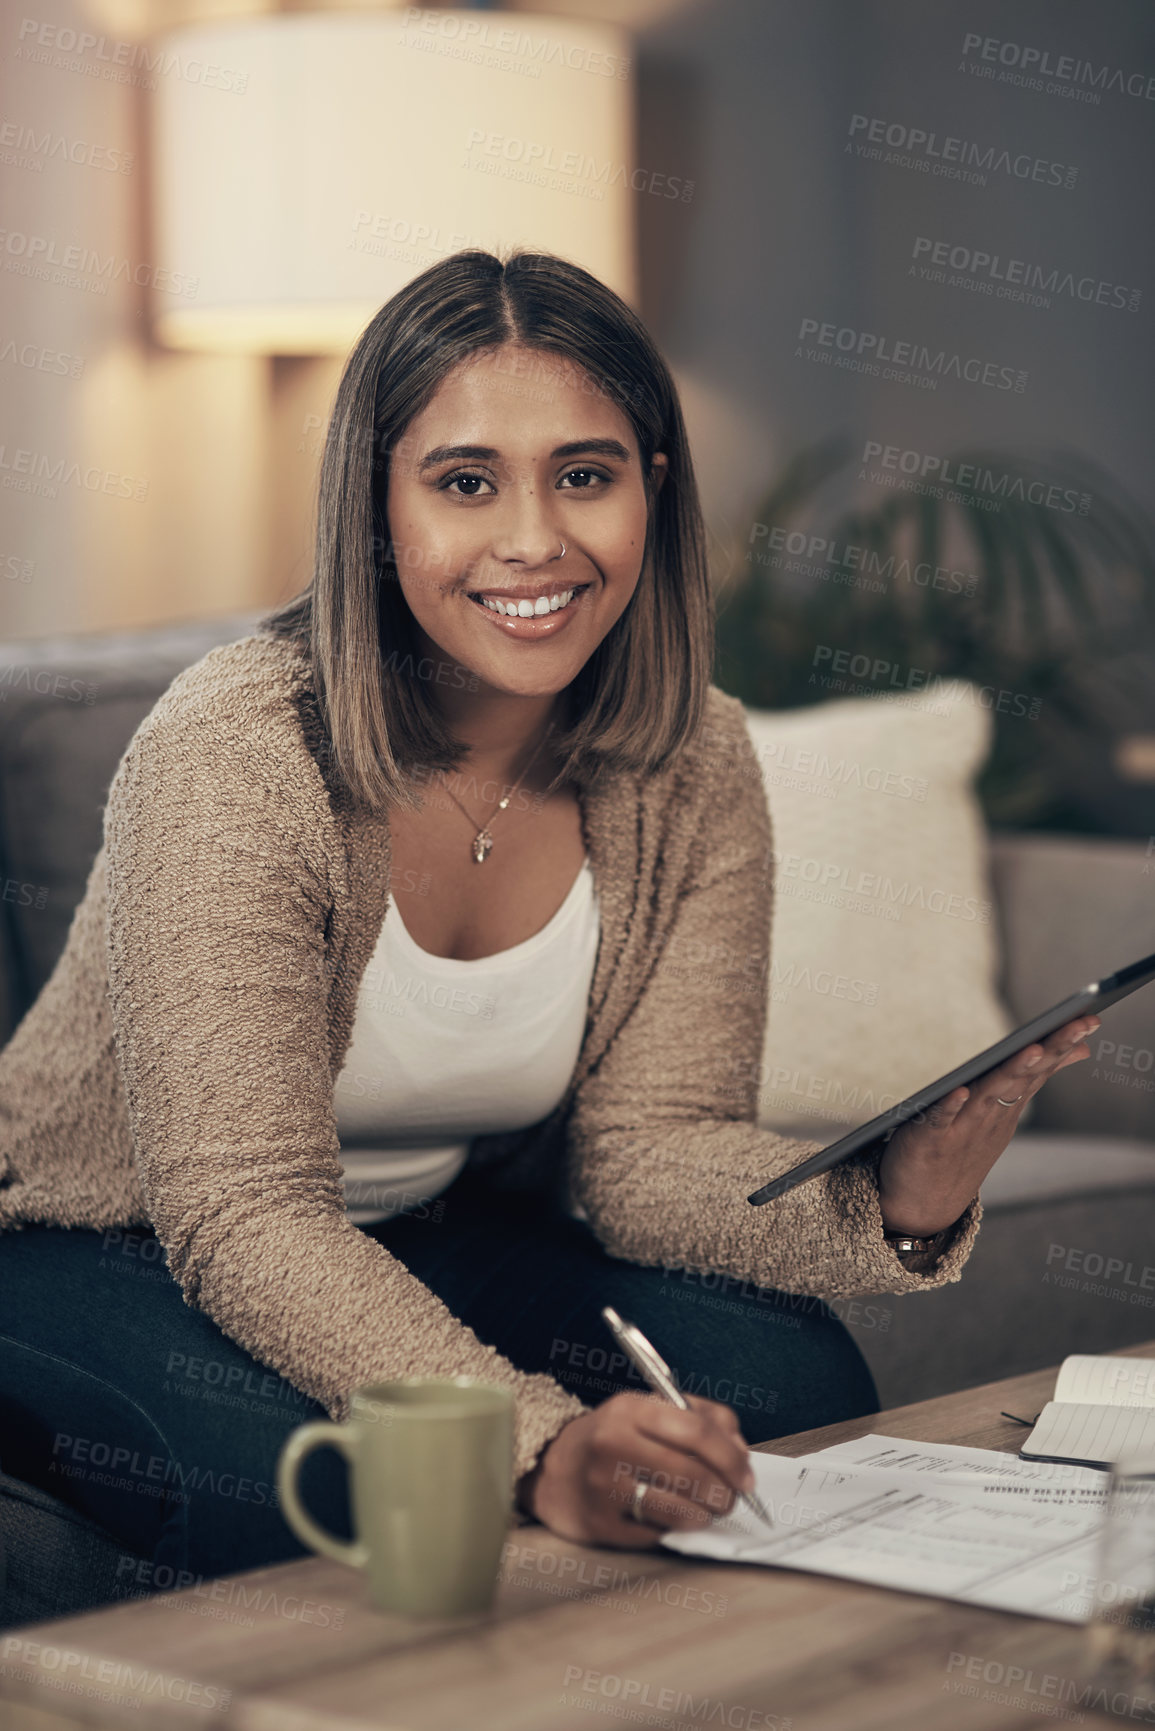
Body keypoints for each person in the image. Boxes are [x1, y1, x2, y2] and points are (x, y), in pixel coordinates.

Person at [0, 249, 1096, 1592]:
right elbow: (242, 1214)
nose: (535, 540)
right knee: (320, 1482)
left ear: (653, 489)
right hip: (93, 1238)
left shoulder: (693, 761)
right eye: (466, 482)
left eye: (585, 474)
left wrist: (899, 1205)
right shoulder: (233, 754)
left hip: (414, 1223)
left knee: (790, 1377)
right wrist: (536, 1444)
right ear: (373, 512)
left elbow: (648, 1155)